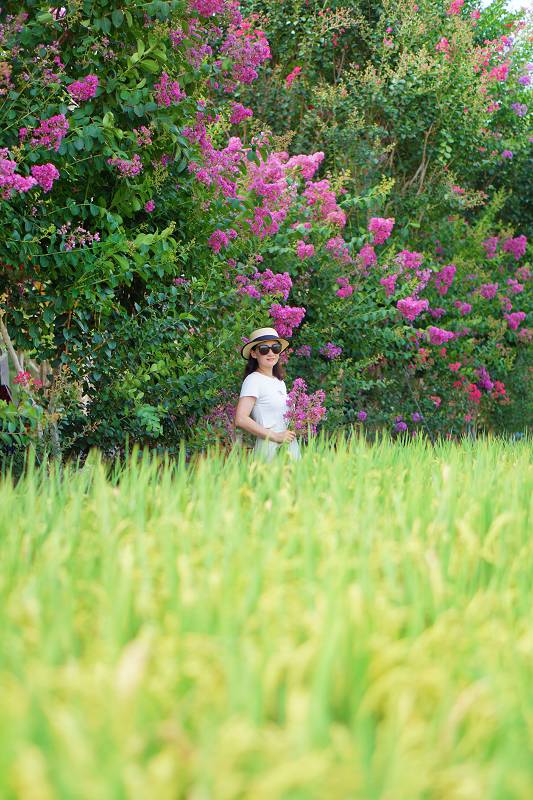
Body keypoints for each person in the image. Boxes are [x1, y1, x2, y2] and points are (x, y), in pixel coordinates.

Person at [234, 326, 300, 461]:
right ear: (253, 353)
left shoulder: (279, 382)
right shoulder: (253, 380)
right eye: (264, 349)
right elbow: (241, 419)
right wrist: (275, 436)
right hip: (269, 450)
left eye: (275, 348)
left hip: (289, 449)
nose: (271, 353)